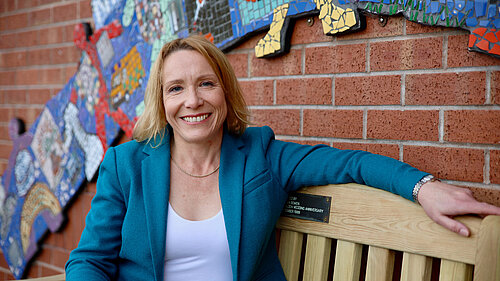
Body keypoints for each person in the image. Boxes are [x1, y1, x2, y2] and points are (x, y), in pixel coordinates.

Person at [65, 35, 500, 281]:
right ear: (161, 102)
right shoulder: (127, 165)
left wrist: (423, 187)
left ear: (225, 93)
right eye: (176, 88)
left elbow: (348, 163)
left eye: (206, 84)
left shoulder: (261, 155)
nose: (192, 100)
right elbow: (89, 261)